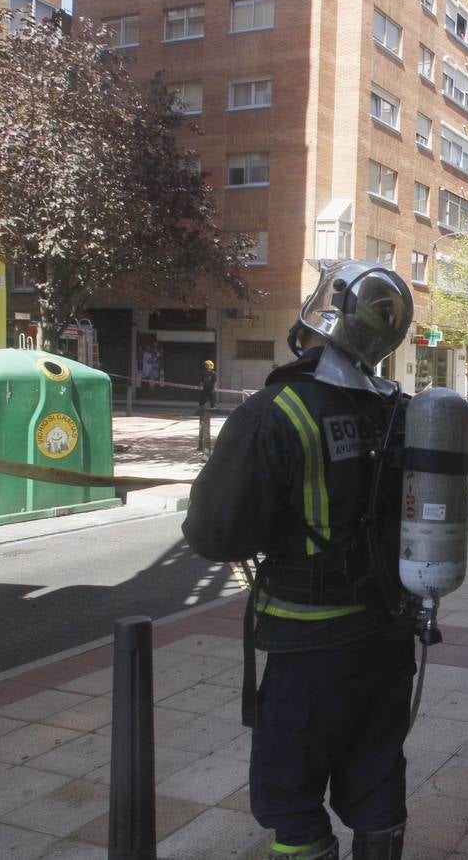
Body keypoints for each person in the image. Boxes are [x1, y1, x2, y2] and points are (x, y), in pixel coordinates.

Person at [182, 260, 418, 860]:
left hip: (308, 642)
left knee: (290, 793)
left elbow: (215, 534)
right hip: (390, 632)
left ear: (324, 313)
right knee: (377, 773)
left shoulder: (275, 412)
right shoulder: (400, 410)